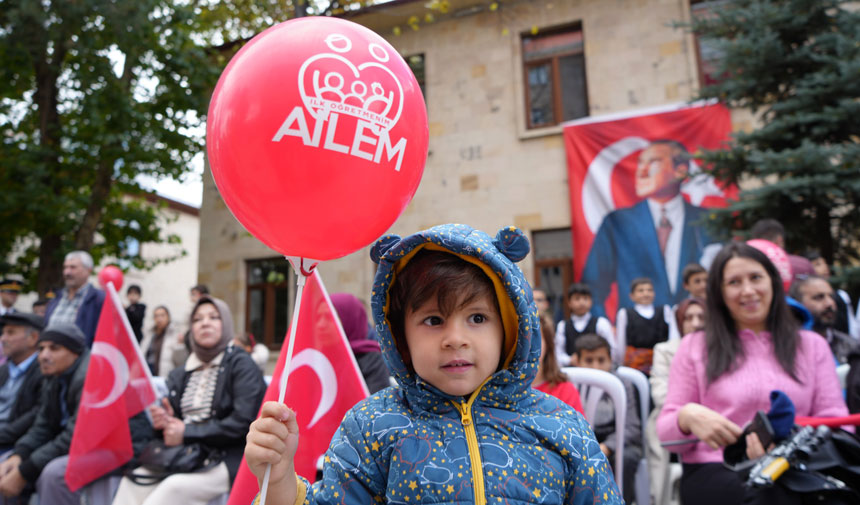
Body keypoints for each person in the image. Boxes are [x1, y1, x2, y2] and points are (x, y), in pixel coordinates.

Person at [244, 224, 620, 504]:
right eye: (433, 320)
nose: (455, 338)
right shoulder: (371, 426)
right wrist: (277, 478)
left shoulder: (562, 426)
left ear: (509, 327)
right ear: (399, 335)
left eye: (477, 318)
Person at [657, 242, 849, 505]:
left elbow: (836, 420)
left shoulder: (811, 345)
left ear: (773, 282)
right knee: (766, 496)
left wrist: (788, 443)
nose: (748, 290)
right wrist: (686, 416)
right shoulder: (695, 346)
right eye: (734, 282)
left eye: (756, 278)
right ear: (720, 293)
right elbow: (668, 439)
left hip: (799, 465)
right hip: (720, 468)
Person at [111, 296, 266, 505]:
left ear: (226, 323)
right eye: (197, 319)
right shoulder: (181, 372)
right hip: (184, 454)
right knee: (131, 484)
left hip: (225, 457)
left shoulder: (241, 364)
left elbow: (243, 422)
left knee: (171, 490)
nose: (205, 323)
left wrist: (185, 432)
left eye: (214, 317)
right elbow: (173, 427)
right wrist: (165, 422)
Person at [582, 140, 718, 317]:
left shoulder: (707, 221)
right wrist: (604, 327)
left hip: (696, 326)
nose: (642, 171)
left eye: (653, 162)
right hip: (639, 335)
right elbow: (592, 285)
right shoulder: (617, 223)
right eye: (640, 163)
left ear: (681, 170)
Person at [0, 323, 89, 504]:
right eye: (41, 349)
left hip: (115, 447)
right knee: (6, 464)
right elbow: (43, 425)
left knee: (54, 474)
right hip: (71, 444)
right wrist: (19, 455)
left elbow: (78, 435)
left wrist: (26, 470)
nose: (43, 356)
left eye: (54, 348)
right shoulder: (55, 376)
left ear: (75, 352)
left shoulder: (89, 376)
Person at [645, 297, 706, 503]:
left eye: (701, 317)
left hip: (712, 420)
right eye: (689, 318)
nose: (695, 323)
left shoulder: (718, 349)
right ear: (680, 321)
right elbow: (660, 393)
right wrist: (693, 410)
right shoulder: (665, 349)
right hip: (668, 417)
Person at [574, 333, 641, 505]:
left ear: (611, 360)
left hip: (614, 444)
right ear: (577, 361)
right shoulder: (571, 383)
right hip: (581, 445)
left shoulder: (622, 384)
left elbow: (632, 427)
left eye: (601, 360)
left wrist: (607, 447)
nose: (595, 367)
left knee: (628, 457)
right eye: (589, 361)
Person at [615, 277, 679, 374]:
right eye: (641, 291)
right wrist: (621, 363)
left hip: (660, 362)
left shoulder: (665, 310)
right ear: (632, 296)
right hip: (635, 365)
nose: (646, 294)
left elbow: (672, 337)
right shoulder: (625, 313)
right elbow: (621, 341)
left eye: (649, 290)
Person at [0, 313, 45, 451]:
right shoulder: (4, 370)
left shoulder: (44, 372)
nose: (3, 339)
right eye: (3, 333)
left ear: (33, 338)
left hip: (16, 445)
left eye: (11, 333)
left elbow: (36, 415)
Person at [330, 293, 390, 394]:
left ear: (349, 320)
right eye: (320, 316)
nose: (321, 323)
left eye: (331, 317)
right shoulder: (319, 356)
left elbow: (377, 405)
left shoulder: (371, 359)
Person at [790, 276, 857, 364]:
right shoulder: (788, 348)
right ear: (797, 304)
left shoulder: (851, 345)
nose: (830, 303)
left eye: (831, 296)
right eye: (819, 297)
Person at [44, 251, 105, 346]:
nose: (67, 272)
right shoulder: (55, 298)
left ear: (88, 270)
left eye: (73, 267)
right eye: (65, 267)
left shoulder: (99, 299)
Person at [554, 283, 616, 366]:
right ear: (569, 303)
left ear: (591, 301)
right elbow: (558, 353)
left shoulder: (601, 323)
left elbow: (612, 350)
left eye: (585, 298)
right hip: (572, 372)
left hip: (598, 371)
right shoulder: (562, 326)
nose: (581, 302)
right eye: (577, 298)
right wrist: (570, 360)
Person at [534, 314, 584, 414]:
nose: (527, 346)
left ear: (548, 345)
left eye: (535, 338)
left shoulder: (565, 391)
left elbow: (577, 428)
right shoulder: (500, 392)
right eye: (520, 339)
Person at [805, 250, 858, 339]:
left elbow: (852, 327)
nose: (825, 267)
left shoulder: (841, 295)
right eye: (817, 264)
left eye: (825, 263)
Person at [140, 305, 187, 378]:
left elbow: (180, 362)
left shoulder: (175, 334)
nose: (159, 319)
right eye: (156, 316)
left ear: (168, 317)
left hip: (164, 376)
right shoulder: (149, 334)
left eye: (162, 315)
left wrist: (180, 345)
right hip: (147, 373)